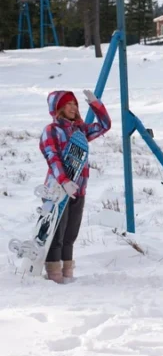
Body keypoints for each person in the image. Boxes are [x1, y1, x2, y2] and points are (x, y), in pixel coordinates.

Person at [39, 89, 112, 283]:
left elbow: (104, 125)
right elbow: (52, 157)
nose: (73, 107)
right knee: (56, 233)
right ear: (58, 108)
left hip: (78, 190)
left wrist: (96, 105)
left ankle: (67, 274)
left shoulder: (80, 130)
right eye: (68, 104)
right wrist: (64, 181)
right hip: (57, 190)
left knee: (70, 234)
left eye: (75, 104)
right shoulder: (51, 130)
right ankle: (54, 275)